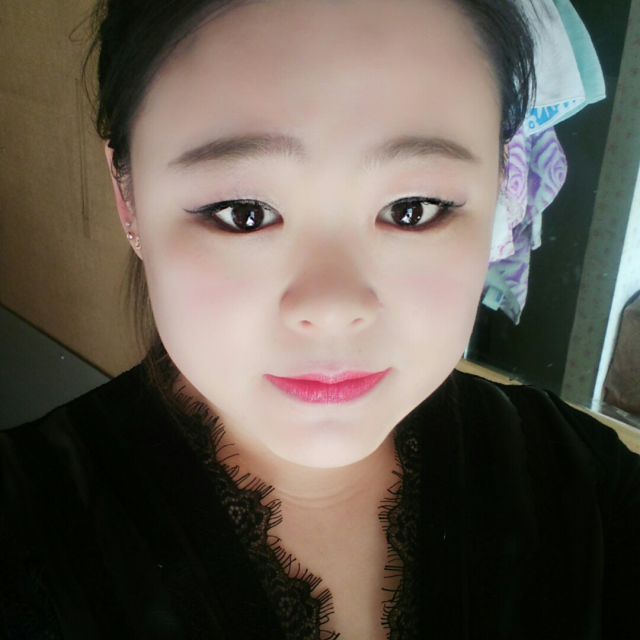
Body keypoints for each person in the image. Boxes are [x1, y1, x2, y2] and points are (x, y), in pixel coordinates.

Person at [1, 1, 638, 638]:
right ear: (129, 198)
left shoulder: (584, 490)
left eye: (413, 209)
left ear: (501, 184)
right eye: (244, 213)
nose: (334, 308)